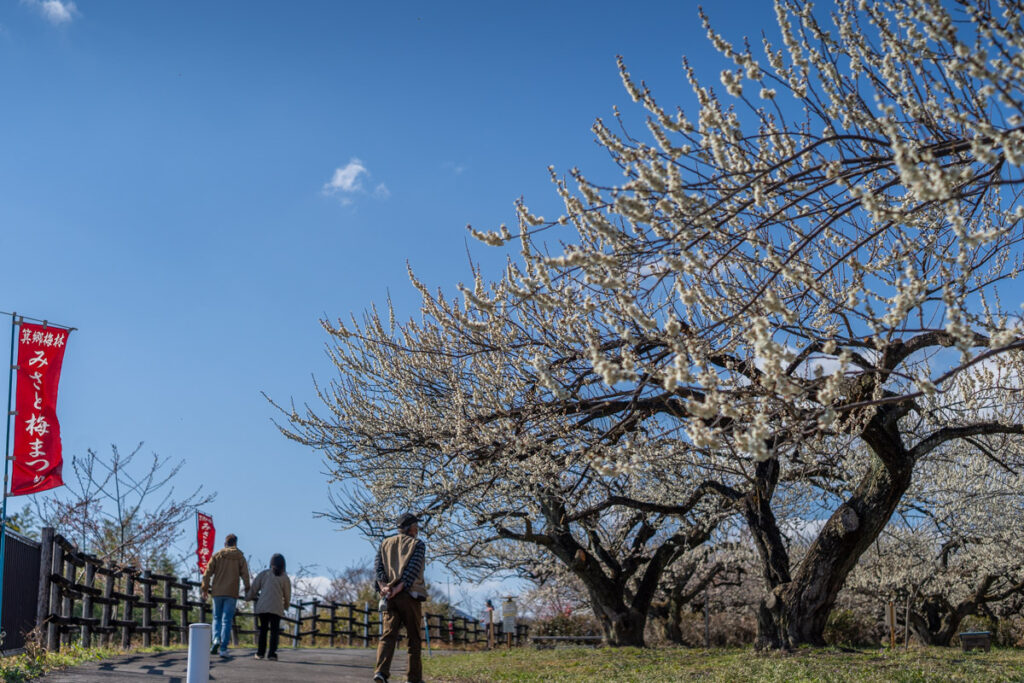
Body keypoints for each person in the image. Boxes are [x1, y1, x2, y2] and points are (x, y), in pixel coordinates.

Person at [373, 513, 427, 683]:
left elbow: (378, 568)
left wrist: (384, 587)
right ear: (410, 527)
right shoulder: (417, 544)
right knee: (414, 638)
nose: (417, 529)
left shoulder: (384, 543)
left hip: (389, 596)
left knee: (387, 636)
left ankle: (381, 672)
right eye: (415, 526)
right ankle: (413, 678)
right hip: (409, 595)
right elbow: (412, 570)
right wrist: (398, 588)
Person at [200, 533, 251, 657]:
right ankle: (223, 648)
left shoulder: (217, 555)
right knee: (226, 620)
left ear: (225, 543)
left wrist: (205, 588)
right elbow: (245, 575)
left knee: (216, 618)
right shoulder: (240, 557)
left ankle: (215, 640)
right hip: (232, 593)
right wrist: (247, 589)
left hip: (217, 592)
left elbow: (207, 573)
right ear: (235, 543)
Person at [247, 553, 291, 661]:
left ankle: (260, 653)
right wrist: (286, 606)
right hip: (276, 608)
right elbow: (287, 594)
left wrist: (247, 598)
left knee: (263, 630)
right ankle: (272, 654)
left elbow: (254, 588)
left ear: (271, 563)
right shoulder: (284, 577)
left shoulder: (264, 574)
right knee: (274, 631)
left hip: (263, 607)